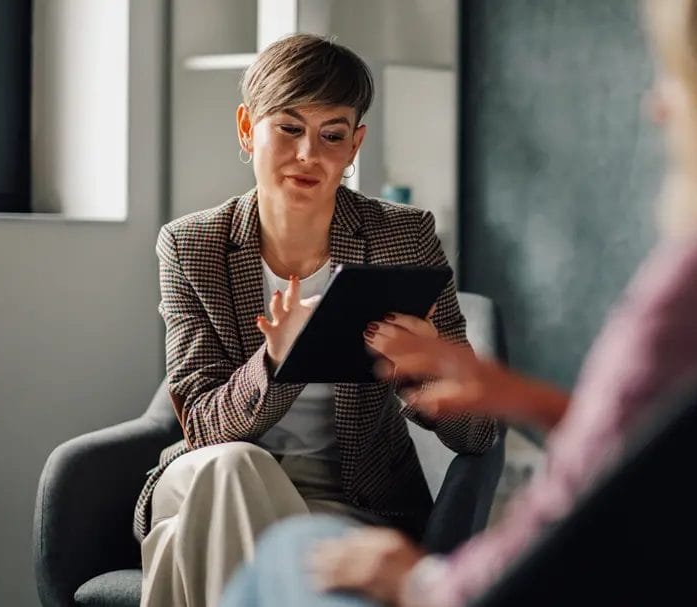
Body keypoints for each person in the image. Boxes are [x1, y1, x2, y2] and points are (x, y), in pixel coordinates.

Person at [221, 1, 697, 605]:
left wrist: (414, 577)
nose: (657, 106)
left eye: (680, 76)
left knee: (292, 552)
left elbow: (545, 541)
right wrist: (530, 399)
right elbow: (695, 459)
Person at [135, 33, 496, 607]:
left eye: (332, 135)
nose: (309, 154)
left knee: (184, 543)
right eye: (289, 128)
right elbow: (202, 427)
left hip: (350, 494)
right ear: (247, 128)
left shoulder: (402, 237)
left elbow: (479, 434)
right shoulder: (191, 245)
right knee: (231, 465)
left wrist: (425, 369)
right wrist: (278, 360)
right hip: (205, 475)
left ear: (355, 145)